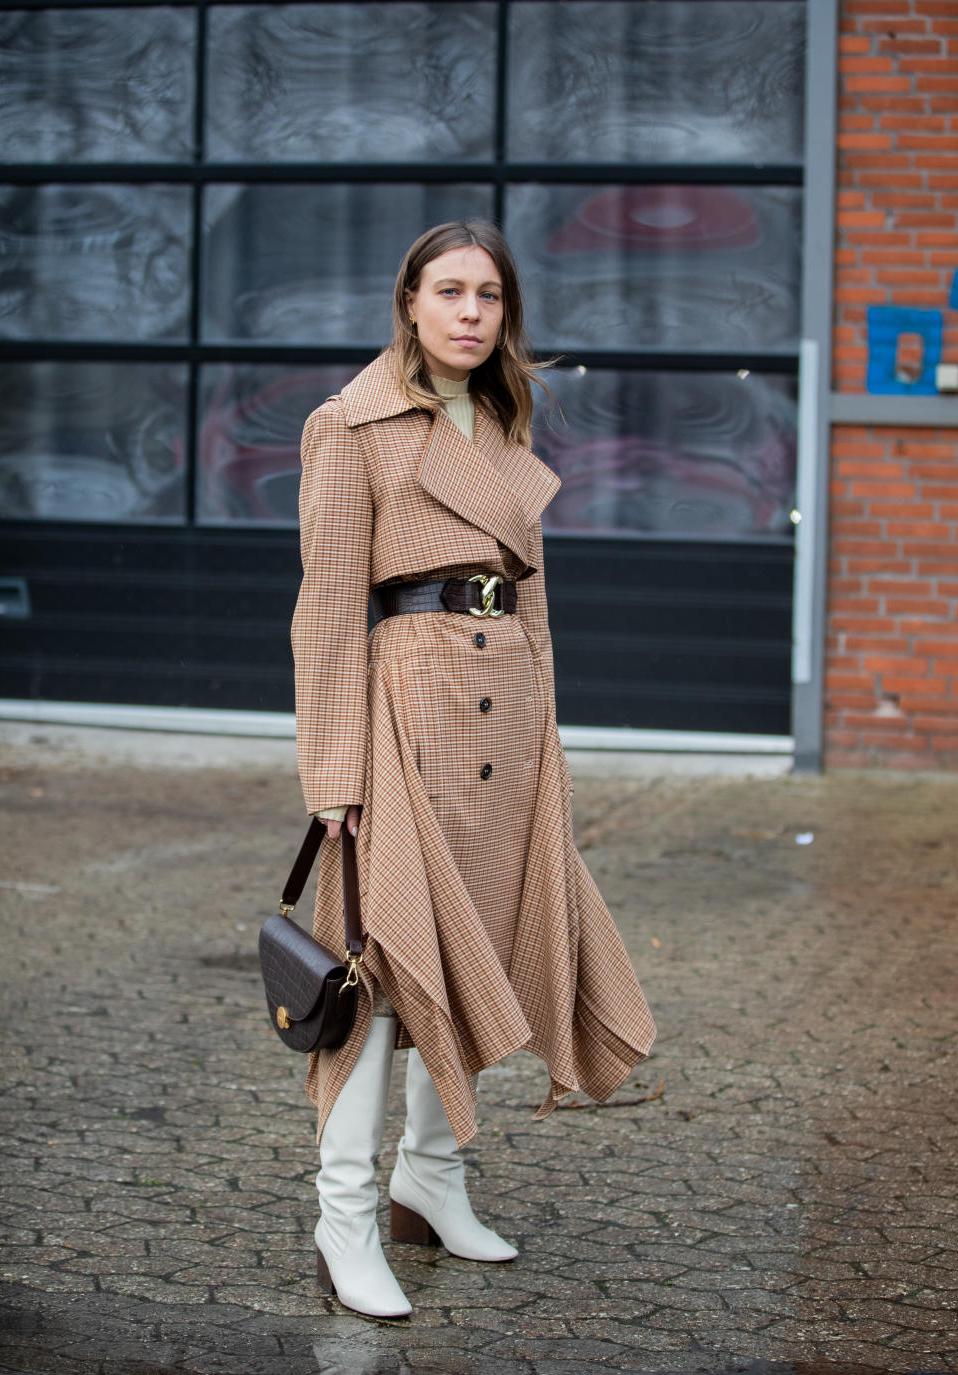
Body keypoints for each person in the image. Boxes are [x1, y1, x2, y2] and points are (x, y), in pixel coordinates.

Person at [291, 219, 656, 1319]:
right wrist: (333, 774)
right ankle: (345, 1217)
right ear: (409, 300)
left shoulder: (500, 415)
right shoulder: (349, 424)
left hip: (505, 721)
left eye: (488, 295)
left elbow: (532, 596)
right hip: (407, 712)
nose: (468, 312)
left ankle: (430, 1181)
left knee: (484, 950)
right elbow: (325, 612)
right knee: (384, 968)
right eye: (447, 290)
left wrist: (549, 737)